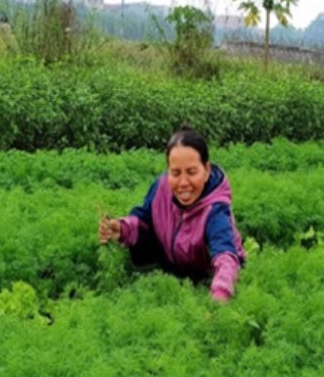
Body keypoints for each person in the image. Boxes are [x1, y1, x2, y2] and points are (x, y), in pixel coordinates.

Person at [99, 127, 246, 302]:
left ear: (206, 171)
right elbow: (144, 218)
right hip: (174, 264)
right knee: (141, 238)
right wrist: (121, 228)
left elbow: (225, 256)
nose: (183, 182)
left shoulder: (215, 210)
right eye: (175, 173)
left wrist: (220, 295)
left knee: (219, 276)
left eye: (191, 172)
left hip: (204, 273)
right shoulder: (161, 187)